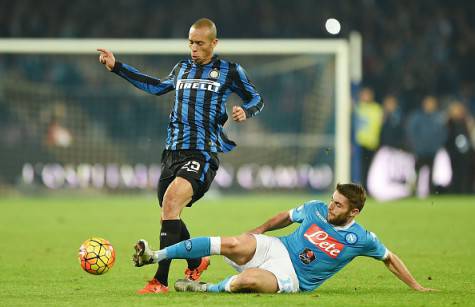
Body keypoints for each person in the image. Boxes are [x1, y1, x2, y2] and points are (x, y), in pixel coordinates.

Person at [97, 18, 264, 294]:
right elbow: (156, 86)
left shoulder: (230, 70)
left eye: (199, 43)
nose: (194, 49)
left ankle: (159, 281)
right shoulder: (182, 68)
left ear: (214, 43)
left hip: (203, 152)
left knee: (172, 202)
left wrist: (246, 111)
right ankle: (196, 261)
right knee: (168, 214)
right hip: (172, 151)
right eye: (190, 43)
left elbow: (256, 98)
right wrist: (117, 67)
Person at [133, 183, 435, 293]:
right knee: (235, 242)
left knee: (248, 281)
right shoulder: (316, 209)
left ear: (353, 211)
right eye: (332, 200)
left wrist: (417, 286)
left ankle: (204, 288)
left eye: (338, 205)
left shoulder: (361, 238)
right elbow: (285, 216)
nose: (330, 207)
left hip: (293, 277)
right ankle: (155, 256)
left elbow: (389, 258)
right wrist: (261, 231)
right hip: (277, 247)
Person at [406, 96, 446, 196]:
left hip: (433, 151)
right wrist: (415, 146)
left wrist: (438, 146)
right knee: (416, 172)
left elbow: (443, 132)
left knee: (432, 173)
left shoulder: (438, 117)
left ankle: (430, 192)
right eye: (428, 103)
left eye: (432, 103)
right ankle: (413, 192)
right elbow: (411, 132)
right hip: (419, 151)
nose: (430, 106)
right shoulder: (417, 116)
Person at [354, 87, 383, 189]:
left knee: (371, 169)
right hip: (360, 143)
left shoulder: (377, 108)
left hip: (373, 143)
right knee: (360, 168)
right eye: (364, 94)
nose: (366, 97)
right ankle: (361, 188)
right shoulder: (358, 108)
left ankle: (369, 188)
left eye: (368, 94)